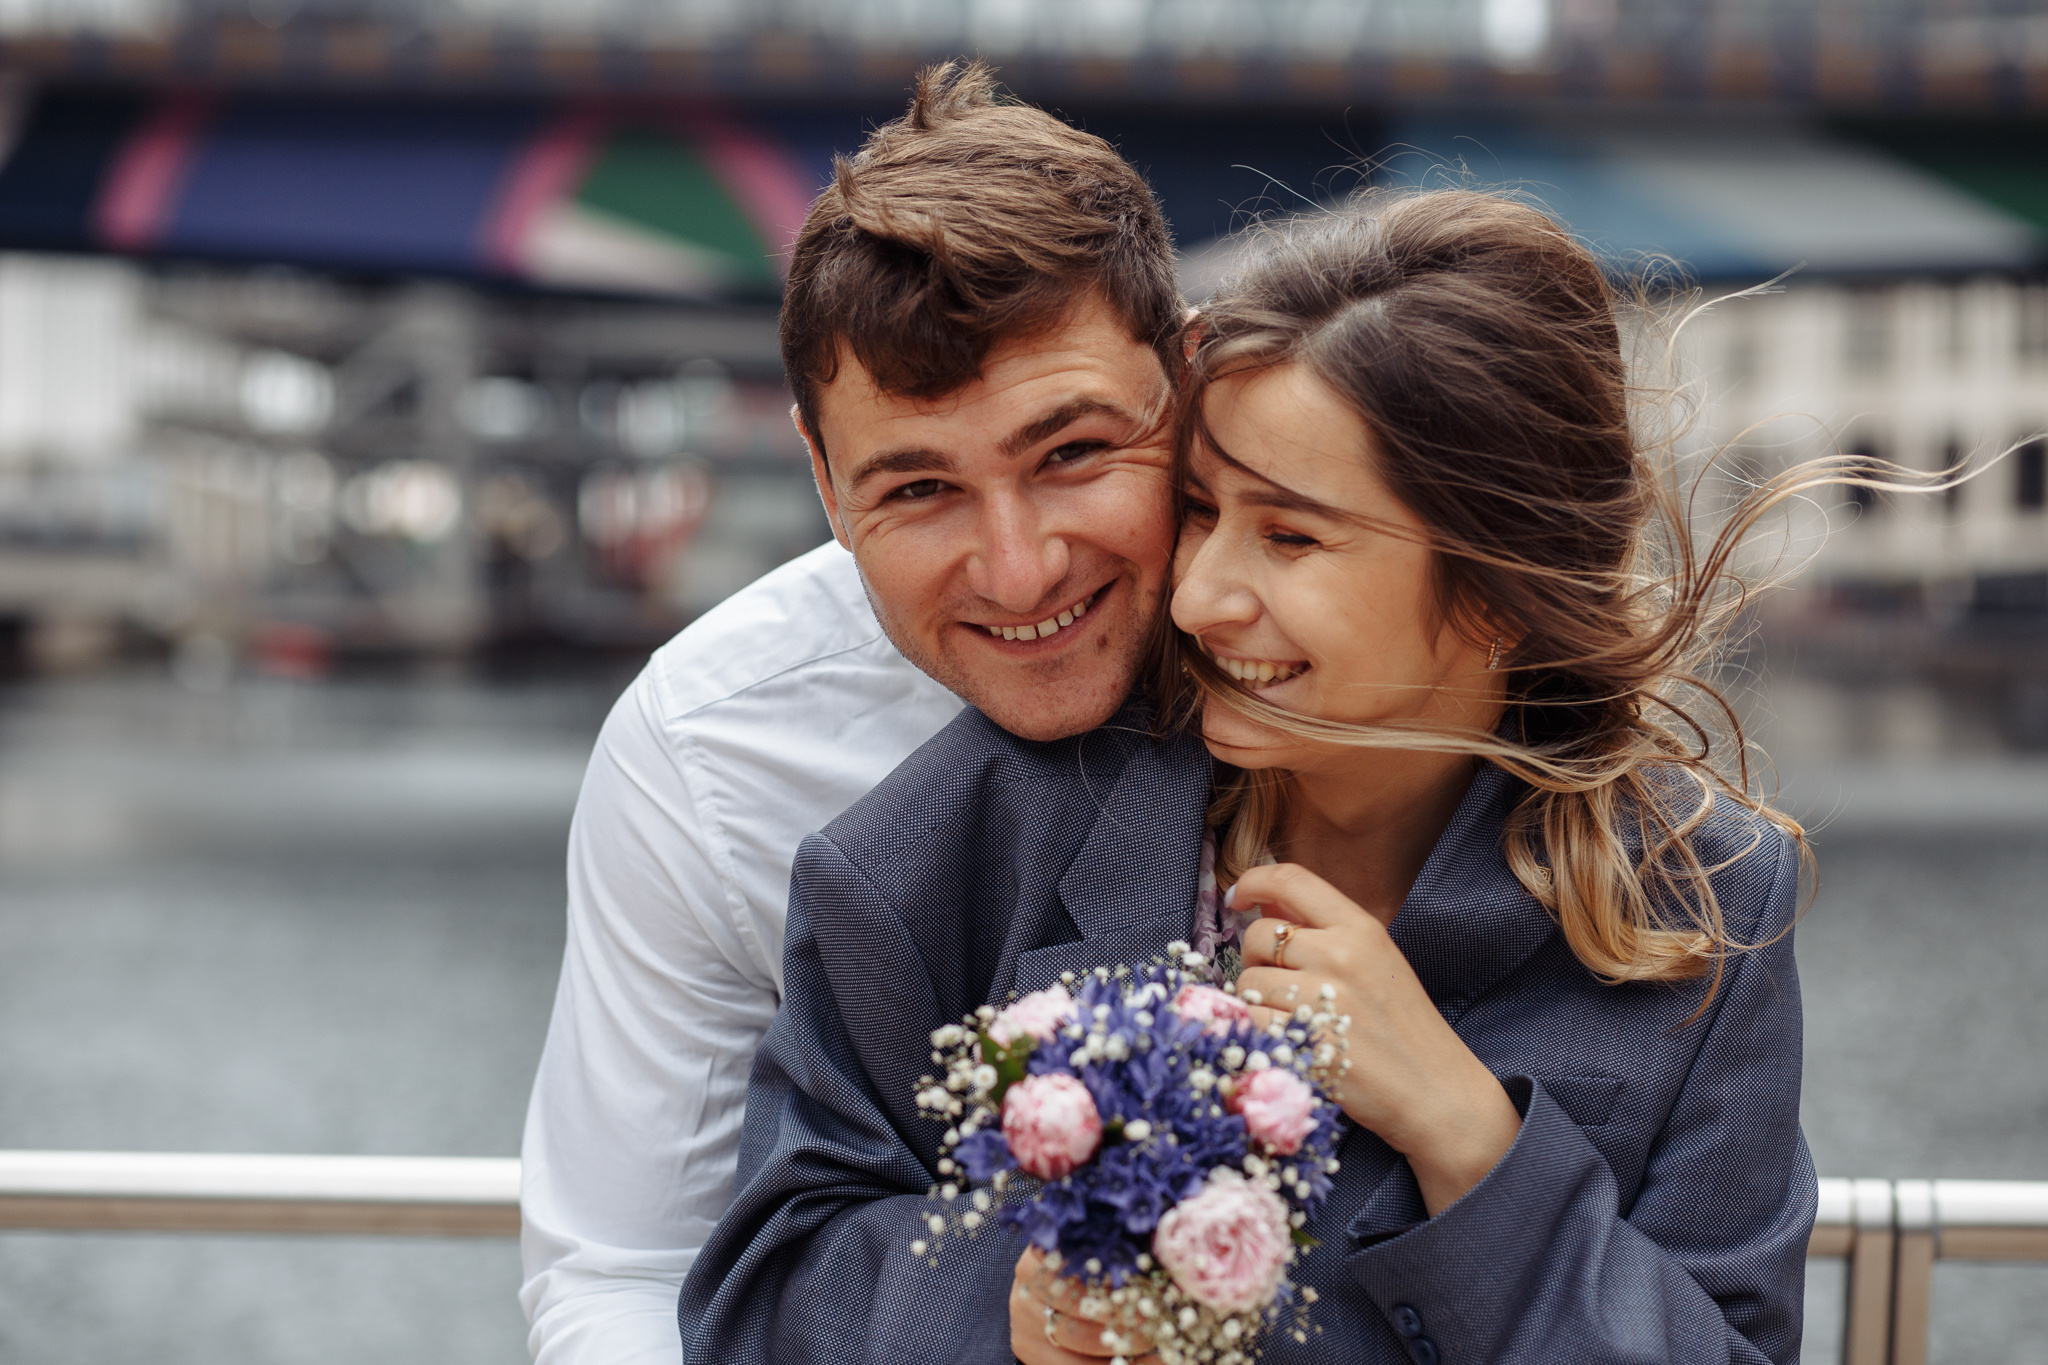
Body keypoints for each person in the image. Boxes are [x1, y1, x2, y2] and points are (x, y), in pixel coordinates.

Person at [680, 190, 1818, 1364]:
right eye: (1198, 510)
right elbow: (760, 1299)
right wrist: (1002, 1310)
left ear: (1495, 593)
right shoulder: (948, 848)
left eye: (1288, 536)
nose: (1194, 596)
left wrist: (1470, 1141)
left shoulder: (1707, 902)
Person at [517, 61, 1187, 1364]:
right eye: (919, 489)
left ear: (1189, 379)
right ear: (822, 481)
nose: (1020, 569)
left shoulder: (1342, 622)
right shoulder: (706, 753)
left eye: (1072, 453)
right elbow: (629, 1267)